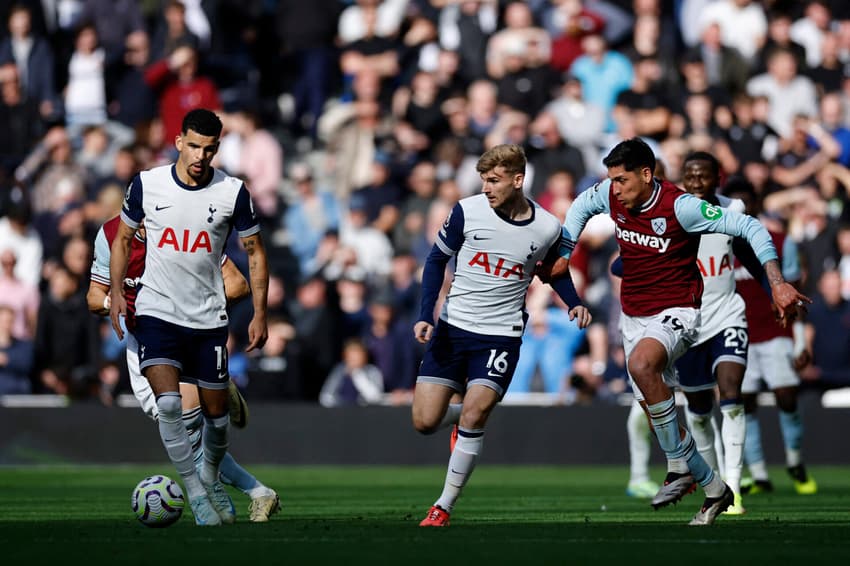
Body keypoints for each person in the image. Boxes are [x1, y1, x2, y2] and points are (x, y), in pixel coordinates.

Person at [540, 138, 809, 525]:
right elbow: (582, 205)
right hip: (633, 316)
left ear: (647, 175)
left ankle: (684, 469)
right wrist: (565, 251)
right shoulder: (610, 194)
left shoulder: (681, 207)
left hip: (678, 312)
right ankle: (713, 487)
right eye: (611, 181)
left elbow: (751, 227)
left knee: (641, 365)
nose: (614, 189)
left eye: (622, 180)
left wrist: (777, 283)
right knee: (654, 407)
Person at [412, 144, 590, 527]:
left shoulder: (546, 227)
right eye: (483, 180)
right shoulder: (466, 211)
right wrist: (426, 314)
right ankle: (458, 420)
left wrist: (573, 301)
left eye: (494, 180)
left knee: (477, 412)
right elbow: (436, 260)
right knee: (425, 422)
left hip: (500, 336)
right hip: (454, 329)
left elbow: (553, 271)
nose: (487, 188)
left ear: (518, 179)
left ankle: (442, 506)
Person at [108, 109, 269, 526]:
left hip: (208, 320)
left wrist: (259, 314)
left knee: (217, 424)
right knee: (168, 406)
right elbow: (122, 239)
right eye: (193, 145)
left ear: (217, 149)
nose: (200, 155)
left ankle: (211, 477)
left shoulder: (232, 192)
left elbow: (255, 254)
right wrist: (115, 297)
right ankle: (197, 495)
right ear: (179, 141)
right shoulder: (147, 184)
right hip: (157, 314)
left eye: (209, 148)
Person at [87, 215, 280, 522]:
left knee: (182, 425)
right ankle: (256, 491)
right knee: (186, 435)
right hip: (143, 339)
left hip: (188, 334)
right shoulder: (110, 233)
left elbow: (237, 284)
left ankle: (212, 488)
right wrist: (114, 300)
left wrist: (190, 306)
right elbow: (93, 297)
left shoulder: (183, 229)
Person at [671, 152, 778, 515]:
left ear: (717, 178)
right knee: (698, 411)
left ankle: (734, 485)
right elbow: (626, 262)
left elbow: (749, 255)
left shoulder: (732, 211)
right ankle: (714, 483)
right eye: (690, 175)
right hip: (688, 325)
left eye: (703, 176)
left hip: (728, 317)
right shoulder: (673, 214)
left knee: (731, 393)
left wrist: (775, 290)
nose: (696, 182)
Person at [725, 179, 818, 496]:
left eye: (746, 201)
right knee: (744, 404)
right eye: (733, 201)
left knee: (786, 397)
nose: (740, 207)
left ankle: (794, 460)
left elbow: (794, 295)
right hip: (739, 333)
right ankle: (760, 473)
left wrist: (802, 342)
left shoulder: (779, 241)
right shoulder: (718, 243)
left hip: (776, 332)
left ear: (756, 203)